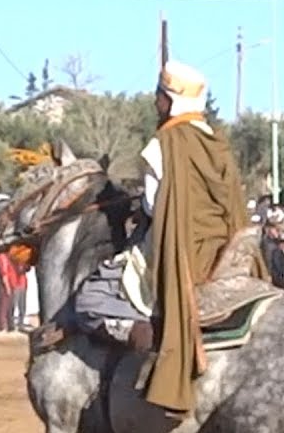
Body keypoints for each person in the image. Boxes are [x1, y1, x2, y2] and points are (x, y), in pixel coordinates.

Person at [72, 59, 268, 413]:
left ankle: (147, 343)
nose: (155, 102)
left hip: (182, 252)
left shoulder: (164, 142)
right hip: (225, 253)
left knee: (91, 296)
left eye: (159, 95)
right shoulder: (217, 142)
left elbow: (153, 206)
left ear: (170, 100)